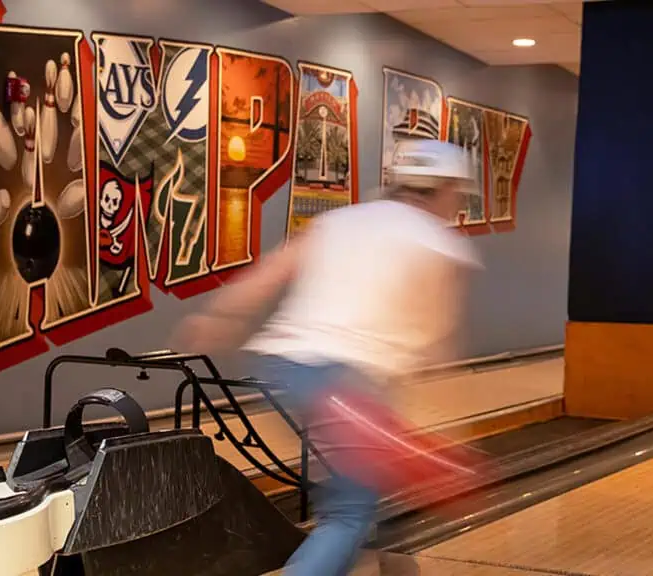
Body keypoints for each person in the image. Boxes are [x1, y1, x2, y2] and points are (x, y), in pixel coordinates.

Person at [172, 138, 483, 576]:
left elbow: (267, 275)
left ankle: (379, 560)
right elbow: (439, 350)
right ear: (447, 187)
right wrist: (451, 432)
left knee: (357, 492)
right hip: (343, 383)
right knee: (350, 511)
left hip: (283, 370)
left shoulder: (339, 221)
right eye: (458, 192)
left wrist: (218, 317)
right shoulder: (439, 242)